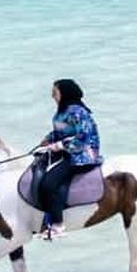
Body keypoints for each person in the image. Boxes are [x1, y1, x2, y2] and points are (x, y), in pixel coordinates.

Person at [35, 79, 102, 239]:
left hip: (82, 155)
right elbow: (61, 133)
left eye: (55, 92)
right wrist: (47, 139)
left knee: (49, 183)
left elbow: (82, 139)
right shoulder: (62, 111)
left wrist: (58, 146)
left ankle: (58, 225)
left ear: (65, 93)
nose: (52, 96)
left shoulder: (78, 112)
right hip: (67, 151)